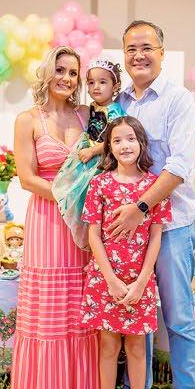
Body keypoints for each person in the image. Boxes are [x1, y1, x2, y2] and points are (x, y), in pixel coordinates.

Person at [113, 20, 195, 389]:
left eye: (146, 47)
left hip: (170, 225)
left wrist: (140, 208)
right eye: (131, 49)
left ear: (162, 53)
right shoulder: (119, 102)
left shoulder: (177, 100)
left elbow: (179, 166)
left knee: (179, 316)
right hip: (129, 231)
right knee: (136, 315)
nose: (139, 55)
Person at [10, 47, 100, 389]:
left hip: (82, 224)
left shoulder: (88, 116)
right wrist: (68, 198)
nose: (66, 78)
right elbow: (27, 178)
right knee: (49, 309)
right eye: (60, 70)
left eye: (73, 73)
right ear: (48, 73)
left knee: (79, 307)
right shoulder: (27, 120)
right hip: (48, 219)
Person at [82, 117, 169, 389]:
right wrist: (112, 280)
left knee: (136, 348)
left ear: (141, 143)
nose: (124, 145)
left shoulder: (154, 186)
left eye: (130, 138)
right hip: (105, 281)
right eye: (117, 140)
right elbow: (93, 235)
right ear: (109, 147)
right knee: (108, 348)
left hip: (140, 282)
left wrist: (142, 281)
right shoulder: (100, 185)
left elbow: (156, 237)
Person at [52, 58, 126, 248]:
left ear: (115, 86)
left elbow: (115, 139)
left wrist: (93, 150)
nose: (96, 87)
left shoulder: (114, 110)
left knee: (92, 197)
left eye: (103, 82)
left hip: (102, 159)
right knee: (76, 190)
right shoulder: (93, 106)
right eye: (91, 82)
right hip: (88, 153)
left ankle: (93, 236)